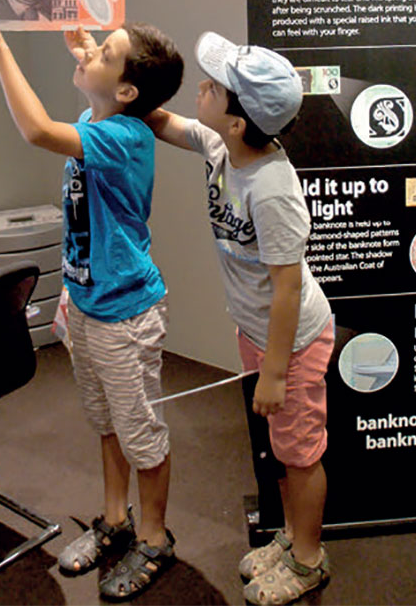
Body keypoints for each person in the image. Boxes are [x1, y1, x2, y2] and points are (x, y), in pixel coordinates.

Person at [0, 13, 183, 601]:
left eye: (104, 53)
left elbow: (35, 130)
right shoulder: (102, 114)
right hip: (87, 303)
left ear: (128, 91)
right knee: (107, 424)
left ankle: (156, 537)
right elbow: (98, 89)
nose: (88, 54)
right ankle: (115, 520)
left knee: (141, 435)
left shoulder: (123, 137)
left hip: (124, 314)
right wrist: (87, 54)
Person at [145, 32, 334, 605]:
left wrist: (276, 371)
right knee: (279, 444)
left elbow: (287, 285)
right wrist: (120, 92)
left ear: (236, 120)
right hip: (258, 330)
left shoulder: (271, 190)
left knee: (301, 453)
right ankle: (290, 535)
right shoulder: (226, 146)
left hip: (291, 341)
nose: (201, 87)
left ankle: (308, 560)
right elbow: (168, 126)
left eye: (214, 86)